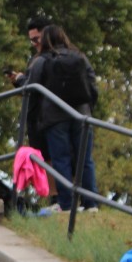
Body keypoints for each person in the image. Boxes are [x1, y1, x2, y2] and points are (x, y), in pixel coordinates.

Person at [25, 24, 99, 212]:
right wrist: (88, 108)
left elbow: (31, 88)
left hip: (55, 118)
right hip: (81, 115)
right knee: (85, 160)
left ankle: (66, 204)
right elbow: (92, 84)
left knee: (61, 160)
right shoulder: (79, 56)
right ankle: (91, 203)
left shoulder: (42, 60)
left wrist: (34, 119)